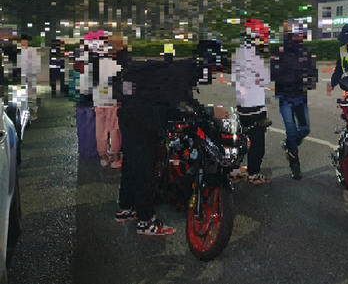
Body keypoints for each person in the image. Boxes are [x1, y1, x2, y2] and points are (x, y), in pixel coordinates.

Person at [113, 46, 223, 236]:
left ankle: (125, 209)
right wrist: (210, 112)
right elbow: (177, 102)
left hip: (130, 115)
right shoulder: (186, 72)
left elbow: (180, 99)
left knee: (131, 164)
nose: (214, 75)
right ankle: (146, 222)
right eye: (214, 70)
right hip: (141, 119)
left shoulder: (178, 69)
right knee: (144, 168)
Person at [270, 21, 318, 180]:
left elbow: (313, 71)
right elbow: (273, 74)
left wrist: (311, 81)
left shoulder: (305, 52)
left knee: (305, 130)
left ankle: (290, 145)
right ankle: (294, 164)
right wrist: (290, 79)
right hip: (285, 97)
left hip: (300, 97)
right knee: (291, 130)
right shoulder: (278, 51)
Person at [231, 19, 271, 185]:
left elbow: (234, 80)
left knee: (241, 140)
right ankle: (254, 175)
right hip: (255, 107)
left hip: (242, 105)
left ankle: (234, 171)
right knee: (257, 144)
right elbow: (266, 80)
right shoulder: (254, 58)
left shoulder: (238, 54)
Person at [92, 32, 122, 168]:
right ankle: (115, 158)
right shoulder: (115, 62)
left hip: (98, 98)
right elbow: (119, 82)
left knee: (101, 128)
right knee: (114, 128)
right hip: (111, 99)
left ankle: (103, 157)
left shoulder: (95, 61)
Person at [18, 34, 41, 120]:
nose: (23, 44)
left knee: (31, 95)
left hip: (31, 76)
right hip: (22, 77)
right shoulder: (19, 52)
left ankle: (33, 112)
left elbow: (36, 65)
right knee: (24, 95)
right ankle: (26, 112)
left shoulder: (32, 51)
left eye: (24, 42)